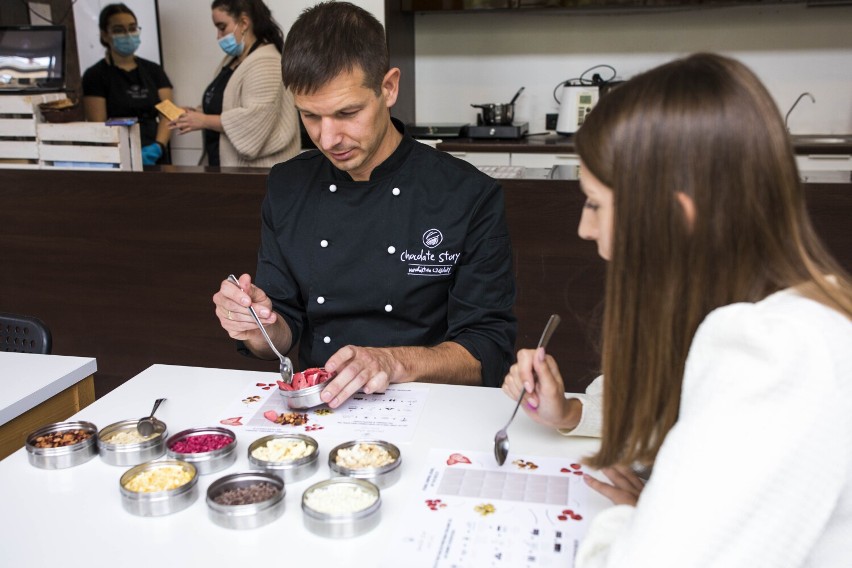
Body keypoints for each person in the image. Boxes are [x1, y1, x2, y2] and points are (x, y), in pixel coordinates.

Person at [503, 53, 852, 567]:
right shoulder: (783, 313)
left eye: (595, 204)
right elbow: (682, 410)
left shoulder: (776, 355)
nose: (584, 228)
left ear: (675, 215)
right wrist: (574, 412)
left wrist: (641, 523)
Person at [213, 1, 516, 408]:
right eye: (311, 117)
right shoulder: (289, 185)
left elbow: (488, 350)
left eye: (347, 112)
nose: (328, 138)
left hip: (431, 407)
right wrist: (258, 327)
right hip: (320, 405)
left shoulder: (468, 195)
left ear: (388, 88)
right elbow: (283, 331)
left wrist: (392, 362)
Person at [170, 0, 299, 167]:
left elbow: (253, 122)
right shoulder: (231, 60)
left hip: (258, 174)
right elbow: (225, 104)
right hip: (221, 167)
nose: (218, 36)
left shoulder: (267, 62)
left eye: (222, 27)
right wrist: (194, 113)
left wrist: (203, 120)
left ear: (244, 22)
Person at [82, 3, 173, 165]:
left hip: (155, 154)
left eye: (132, 28)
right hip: (117, 157)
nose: (128, 34)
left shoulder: (154, 71)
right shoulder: (95, 75)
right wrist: (122, 155)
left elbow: (169, 113)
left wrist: (158, 147)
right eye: (119, 30)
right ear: (105, 35)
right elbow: (99, 124)